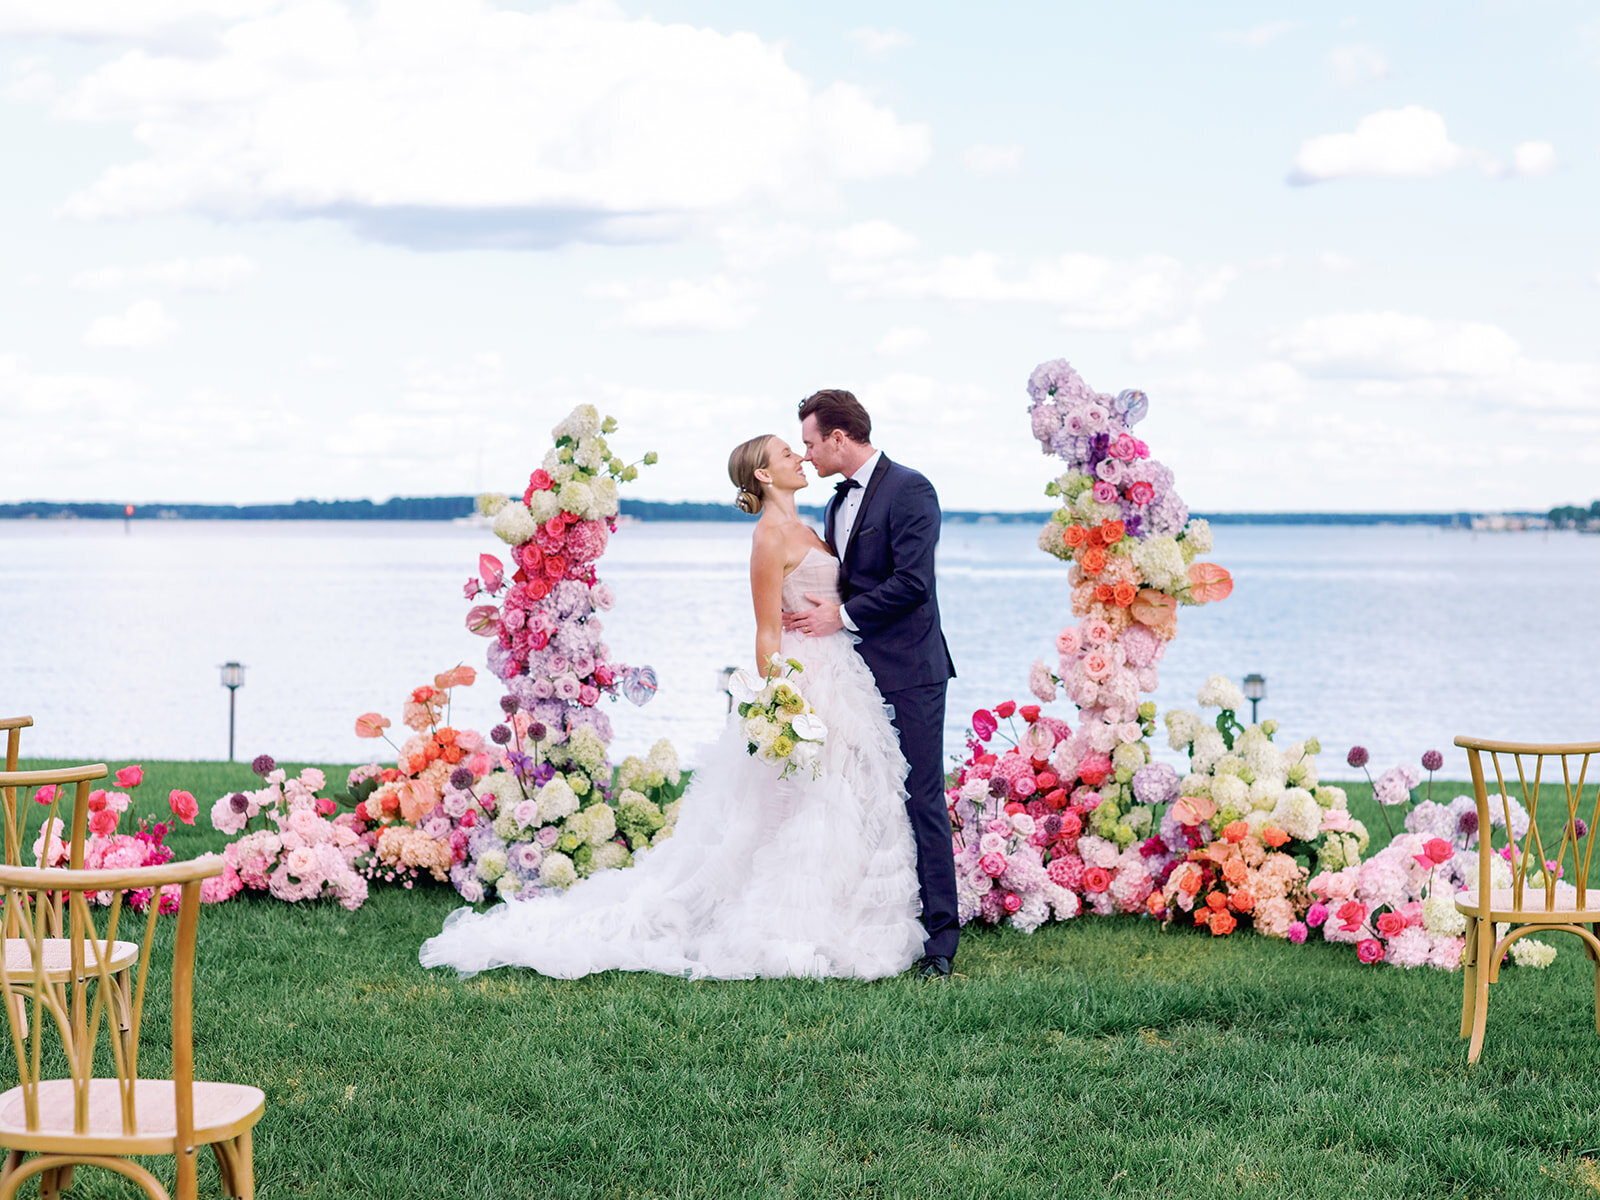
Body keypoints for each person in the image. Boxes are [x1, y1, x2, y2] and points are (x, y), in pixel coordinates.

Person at [419, 433, 925, 980]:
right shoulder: (770, 538)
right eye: (787, 454)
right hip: (802, 676)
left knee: (843, 795)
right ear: (763, 475)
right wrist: (782, 701)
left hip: (840, 670)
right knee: (795, 805)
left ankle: (844, 912)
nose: (800, 457)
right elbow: (766, 631)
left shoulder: (811, 526)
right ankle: (784, 923)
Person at [783, 389, 959, 979]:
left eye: (810, 443)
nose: (805, 456)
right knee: (861, 799)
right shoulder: (834, 506)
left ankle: (941, 941)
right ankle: (875, 925)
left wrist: (840, 617)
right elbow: (841, 580)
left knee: (921, 796)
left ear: (838, 437)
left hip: (910, 671)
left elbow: (913, 583)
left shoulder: (911, 489)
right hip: (851, 676)